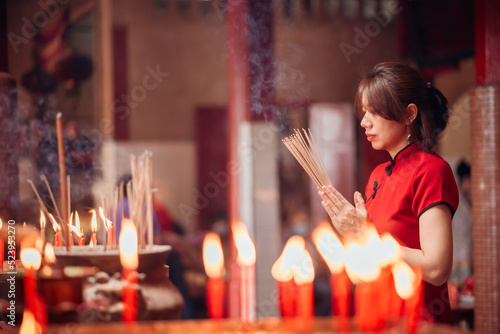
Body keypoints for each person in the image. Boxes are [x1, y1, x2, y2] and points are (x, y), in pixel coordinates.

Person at [318, 62, 459, 324]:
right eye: (363, 112)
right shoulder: (378, 175)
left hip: (420, 321)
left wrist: (368, 235)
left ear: (409, 114)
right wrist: (353, 235)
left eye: (374, 112)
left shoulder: (430, 170)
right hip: (378, 318)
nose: (364, 122)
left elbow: (437, 268)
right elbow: (373, 259)